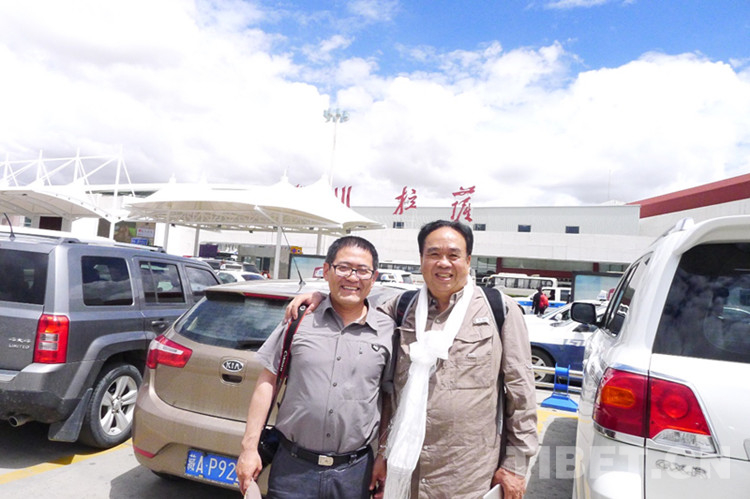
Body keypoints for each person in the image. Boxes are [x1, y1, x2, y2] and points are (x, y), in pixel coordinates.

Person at [287, 220, 539, 499]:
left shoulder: (498, 310)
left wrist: (515, 467)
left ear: (468, 260)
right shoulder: (400, 309)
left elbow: (521, 394)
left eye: (453, 255)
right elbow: (355, 311)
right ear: (421, 259)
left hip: (468, 477)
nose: (443, 263)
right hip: (404, 473)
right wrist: (323, 298)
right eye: (434, 254)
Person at [236, 236, 395, 499]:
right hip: (293, 469)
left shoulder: (387, 330)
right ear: (326, 270)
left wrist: (383, 455)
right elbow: (268, 382)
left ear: (374, 277)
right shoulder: (300, 319)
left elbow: (388, 397)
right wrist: (248, 448)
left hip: (355, 473)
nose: (352, 277)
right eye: (343, 268)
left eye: (362, 270)